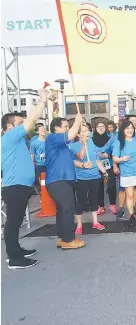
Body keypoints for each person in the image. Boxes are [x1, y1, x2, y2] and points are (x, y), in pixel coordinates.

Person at [2, 87, 48, 269]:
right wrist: (42, 101)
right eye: (19, 123)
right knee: (13, 222)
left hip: (19, 186)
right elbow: (32, 120)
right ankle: (13, 258)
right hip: (14, 187)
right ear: (10, 126)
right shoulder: (11, 136)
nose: (24, 125)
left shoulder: (18, 140)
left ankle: (15, 250)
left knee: (16, 220)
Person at [46, 113, 85, 250]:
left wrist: (82, 141)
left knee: (63, 209)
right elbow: (70, 134)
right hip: (57, 179)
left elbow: (73, 159)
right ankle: (68, 239)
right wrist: (77, 121)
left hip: (64, 179)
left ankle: (63, 237)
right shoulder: (52, 138)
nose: (68, 128)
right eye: (65, 126)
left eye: (68, 126)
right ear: (56, 128)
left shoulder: (65, 144)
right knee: (68, 207)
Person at [70, 123, 106, 235]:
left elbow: (96, 160)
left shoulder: (93, 144)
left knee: (94, 200)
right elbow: (80, 157)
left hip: (95, 176)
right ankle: (79, 224)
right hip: (81, 178)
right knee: (80, 201)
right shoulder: (74, 145)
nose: (87, 133)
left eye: (87, 131)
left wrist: (104, 171)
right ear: (78, 134)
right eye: (84, 131)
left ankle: (95, 222)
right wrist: (83, 144)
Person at [112, 120, 136, 223]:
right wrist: (122, 159)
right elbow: (115, 158)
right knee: (129, 196)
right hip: (127, 173)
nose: (130, 130)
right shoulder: (119, 142)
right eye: (127, 128)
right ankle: (131, 216)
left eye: (131, 128)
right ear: (123, 130)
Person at [92, 121, 117, 215]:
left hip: (109, 165)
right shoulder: (91, 139)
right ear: (95, 128)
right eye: (99, 126)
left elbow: (115, 151)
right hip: (95, 166)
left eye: (103, 126)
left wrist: (108, 155)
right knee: (98, 187)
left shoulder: (111, 139)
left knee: (111, 186)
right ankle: (101, 206)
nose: (101, 128)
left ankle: (112, 205)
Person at [30, 123, 47, 187]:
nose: (44, 130)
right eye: (42, 130)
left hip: (50, 163)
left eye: (44, 129)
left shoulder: (49, 140)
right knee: (42, 179)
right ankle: (43, 191)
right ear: (37, 132)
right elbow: (32, 154)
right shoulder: (34, 143)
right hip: (40, 164)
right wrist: (32, 165)